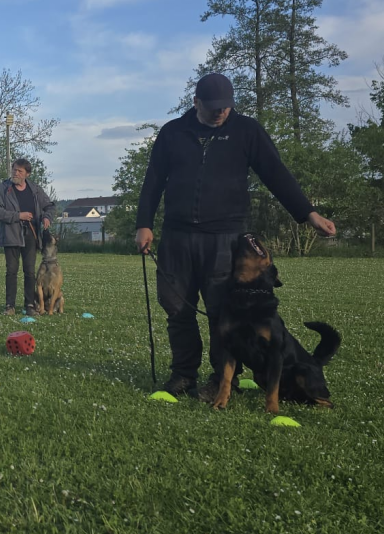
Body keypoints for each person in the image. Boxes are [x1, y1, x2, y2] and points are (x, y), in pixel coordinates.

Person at [134, 73, 336, 399]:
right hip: (177, 235)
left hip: (225, 237)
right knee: (176, 309)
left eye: (226, 107)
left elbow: (276, 174)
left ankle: (220, 378)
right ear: (196, 102)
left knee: (221, 312)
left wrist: (308, 213)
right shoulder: (173, 133)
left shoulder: (247, 131)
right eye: (213, 107)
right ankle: (183, 375)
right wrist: (144, 223)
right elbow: (153, 179)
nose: (220, 113)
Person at [0, 158, 56, 316]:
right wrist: (18, 216)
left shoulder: (35, 189)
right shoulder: (2, 189)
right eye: (14, 169)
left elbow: (49, 206)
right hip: (11, 235)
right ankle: (9, 306)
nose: (15, 173)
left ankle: (29, 305)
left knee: (30, 272)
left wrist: (47, 217)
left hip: (31, 236)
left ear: (27, 174)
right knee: (11, 271)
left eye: (19, 171)